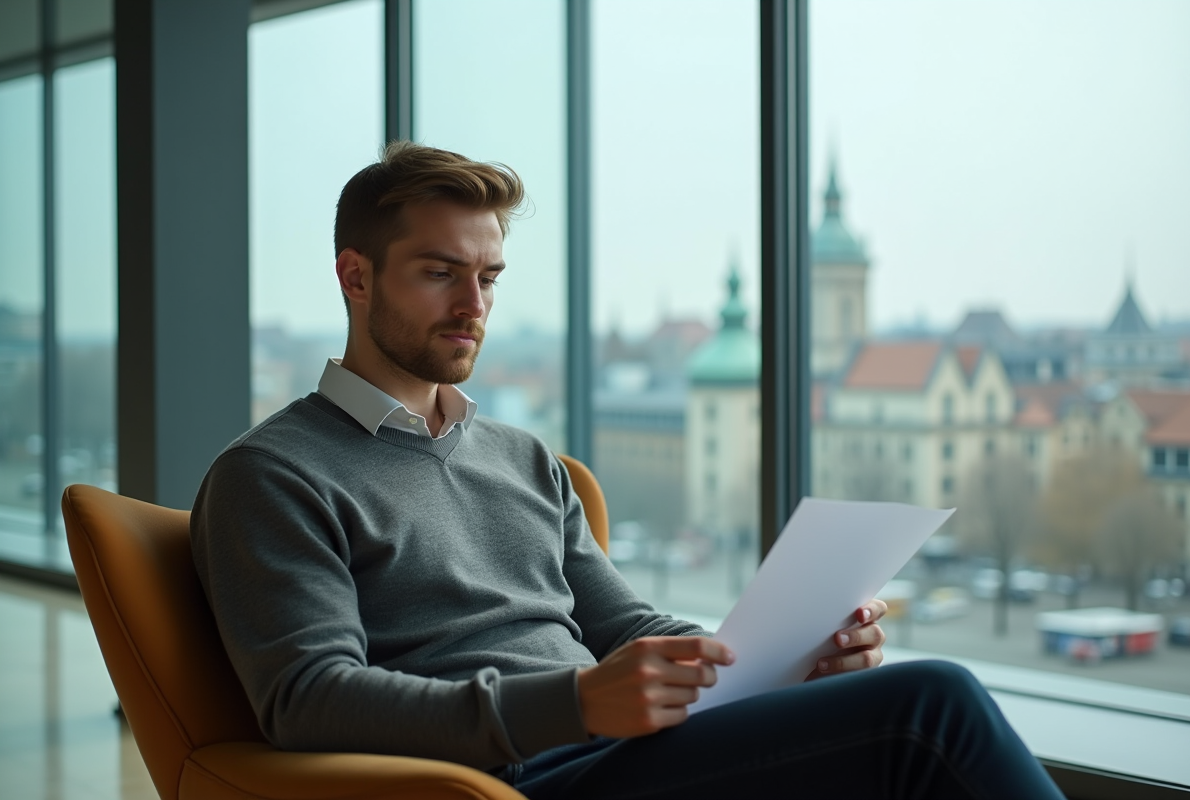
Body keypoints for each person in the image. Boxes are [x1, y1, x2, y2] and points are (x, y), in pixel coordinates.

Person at [192, 141, 1065, 799]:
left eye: (489, 277)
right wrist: (573, 704)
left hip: (620, 756)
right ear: (355, 275)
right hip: (503, 785)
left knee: (906, 720)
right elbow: (309, 699)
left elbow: (631, 628)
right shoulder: (272, 476)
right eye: (439, 274)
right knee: (930, 710)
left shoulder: (524, 459)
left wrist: (785, 660)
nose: (474, 307)